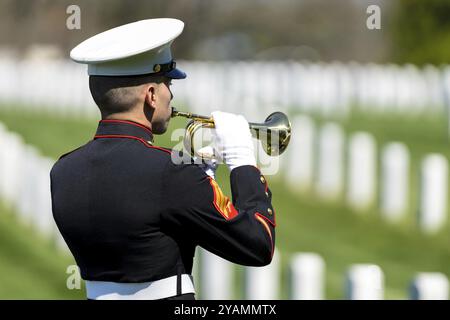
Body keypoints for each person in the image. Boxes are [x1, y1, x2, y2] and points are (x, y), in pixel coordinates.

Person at [50, 18, 276, 300]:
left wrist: (200, 183)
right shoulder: (173, 172)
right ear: (152, 95)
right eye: (169, 83)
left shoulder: (62, 171)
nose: (172, 94)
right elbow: (258, 245)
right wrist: (242, 162)